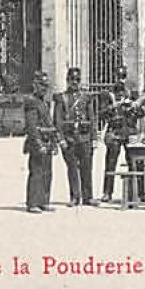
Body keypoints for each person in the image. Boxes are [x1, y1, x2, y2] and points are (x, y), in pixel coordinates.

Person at [100, 69, 144, 206]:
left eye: (123, 77)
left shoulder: (132, 94)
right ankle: (107, 192)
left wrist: (133, 106)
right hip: (115, 131)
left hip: (130, 131)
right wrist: (113, 107)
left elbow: (141, 113)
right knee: (111, 162)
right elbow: (101, 113)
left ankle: (137, 192)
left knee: (134, 162)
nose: (121, 79)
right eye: (119, 76)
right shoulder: (108, 95)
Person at [56, 66, 96, 206]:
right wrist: (61, 139)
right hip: (70, 138)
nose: (75, 82)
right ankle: (74, 197)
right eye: (72, 79)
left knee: (87, 167)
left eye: (77, 80)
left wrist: (94, 138)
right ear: (67, 80)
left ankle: (88, 196)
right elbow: (58, 121)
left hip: (84, 137)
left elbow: (92, 119)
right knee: (72, 168)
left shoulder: (86, 97)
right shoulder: (62, 98)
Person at [22, 72, 58, 213]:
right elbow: (31, 126)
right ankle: (32, 203)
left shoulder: (44, 102)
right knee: (36, 172)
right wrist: (38, 143)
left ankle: (44, 200)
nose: (44, 88)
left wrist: (53, 142)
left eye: (46, 86)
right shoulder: (31, 102)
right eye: (41, 85)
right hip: (38, 141)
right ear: (35, 85)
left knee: (47, 172)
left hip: (47, 139)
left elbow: (49, 123)